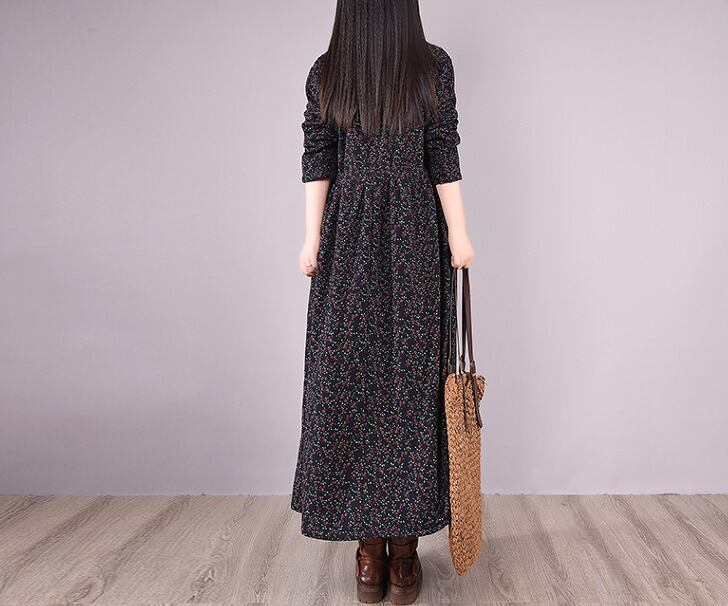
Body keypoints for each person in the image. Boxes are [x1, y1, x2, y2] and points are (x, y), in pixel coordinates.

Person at [291, 1, 474, 603]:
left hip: (396, 236)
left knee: (394, 388)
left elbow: (440, 150)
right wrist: (311, 239)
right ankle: (378, 546)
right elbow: (322, 153)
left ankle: (393, 546)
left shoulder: (427, 67)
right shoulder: (334, 72)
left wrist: (459, 233)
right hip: (375, 237)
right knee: (366, 386)